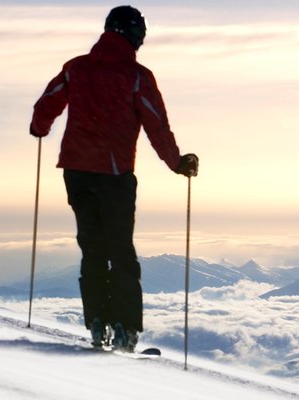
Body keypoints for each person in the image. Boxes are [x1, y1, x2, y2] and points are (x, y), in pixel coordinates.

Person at [30, 5, 198, 352]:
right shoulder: (137, 76)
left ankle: (96, 323)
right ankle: (125, 328)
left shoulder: (77, 68)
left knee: (91, 248)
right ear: (136, 36)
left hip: (76, 172)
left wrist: (39, 128)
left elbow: (47, 103)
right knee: (120, 251)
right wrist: (177, 163)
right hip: (115, 174)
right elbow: (156, 126)